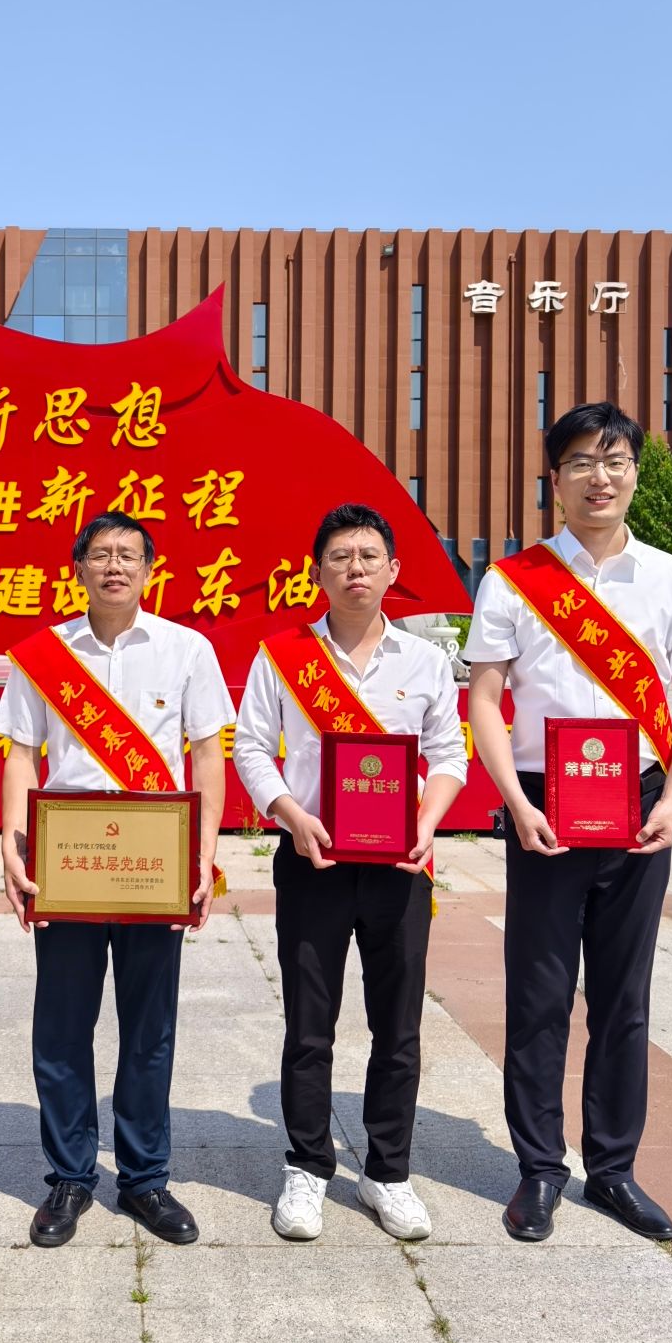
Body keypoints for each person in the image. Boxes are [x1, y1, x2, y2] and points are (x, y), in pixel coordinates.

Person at [463, 402, 672, 1244]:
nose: (598, 478)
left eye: (614, 461)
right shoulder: (512, 580)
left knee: (623, 998)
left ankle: (613, 1169)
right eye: (580, 462)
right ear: (555, 479)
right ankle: (539, 1168)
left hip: (639, 805)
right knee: (538, 995)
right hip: (544, 804)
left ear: (635, 473)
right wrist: (515, 801)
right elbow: (486, 699)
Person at [0, 511, 233, 1249]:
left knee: (149, 1030)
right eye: (99, 554)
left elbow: (207, 756)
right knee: (62, 1029)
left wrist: (204, 854)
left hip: (154, 869)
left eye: (128, 554)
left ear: (150, 569)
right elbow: (19, 755)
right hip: (67, 866)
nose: (114, 566)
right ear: (78, 569)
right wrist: (11, 844)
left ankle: (144, 1178)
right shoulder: (45, 654)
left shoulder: (187, 649)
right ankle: (70, 1177)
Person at [233, 503, 467, 1242]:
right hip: (313, 862)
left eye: (368, 556)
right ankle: (307, 1166)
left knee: (397, 1026)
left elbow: (449, 755)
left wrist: (426, 824)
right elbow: (250, 748)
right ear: (318, 572)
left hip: (400, 866)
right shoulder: (282, 656)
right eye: (339, 557)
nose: (355, 568)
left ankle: (388, 1173)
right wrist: (290, 815)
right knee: (310, 1025)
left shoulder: (424, 662)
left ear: (393, 570)